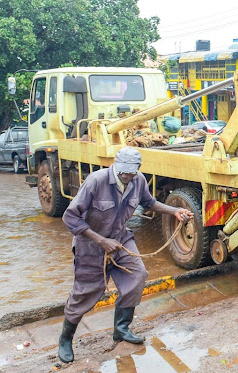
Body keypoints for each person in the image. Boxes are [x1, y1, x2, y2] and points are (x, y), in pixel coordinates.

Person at [58, 148, 194, 363]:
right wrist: (101, 241)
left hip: (120, 239)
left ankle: (121, 329)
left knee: (137, 275)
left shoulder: (138, 180)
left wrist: (173, 211)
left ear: (137, 170)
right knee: (86, 292)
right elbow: (70, 217)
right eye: (123, 173)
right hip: (91, 245)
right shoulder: (96, 181)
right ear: (115, 166)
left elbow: (148, 203)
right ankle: (65, 339)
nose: (127, 177)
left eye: (131, 173)